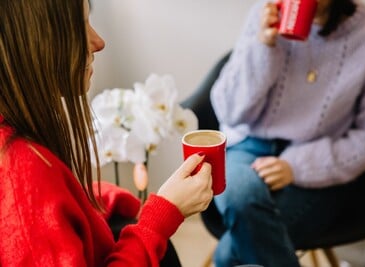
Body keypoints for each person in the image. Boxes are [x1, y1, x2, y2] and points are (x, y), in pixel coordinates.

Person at [0, 0, 213, 266]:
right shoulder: (25, 175)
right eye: (79, 28)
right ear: (33, 42)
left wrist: (91, 202)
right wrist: (162, 216)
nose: (99, 42)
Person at [210, 0, 365, 266]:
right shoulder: (264, 13)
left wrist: (297, 166)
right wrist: (262, 47)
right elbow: (228, 110)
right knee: (239, 195)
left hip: (317, 159)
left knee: (233, 250)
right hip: (247, 144)